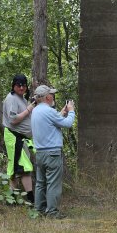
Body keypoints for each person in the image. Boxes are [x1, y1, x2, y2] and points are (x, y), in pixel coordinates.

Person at [31, 84, 75, 219]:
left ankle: (39, 210)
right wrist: (71, 110)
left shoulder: (35, 111)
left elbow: (52, 121)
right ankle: (52, 213)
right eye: (52, 94)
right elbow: (67, 124)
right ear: (48, 97)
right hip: (52, 153)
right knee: (53, 183)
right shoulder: (49, 111)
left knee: (40, 183)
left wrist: (61, 113)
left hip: (40, 153)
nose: (53, 96)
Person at [2, 74, 35, 204]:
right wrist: (29, 109)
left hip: (20, 138)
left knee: (15, 168)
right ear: (13, 86)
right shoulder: (12, 99)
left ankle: (11, 200)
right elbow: (13, 120)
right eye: (18, 85)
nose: (21, 87)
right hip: (14, 137)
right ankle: (31, 200)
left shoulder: (21, 97)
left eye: (23, 85)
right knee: (24, 168)